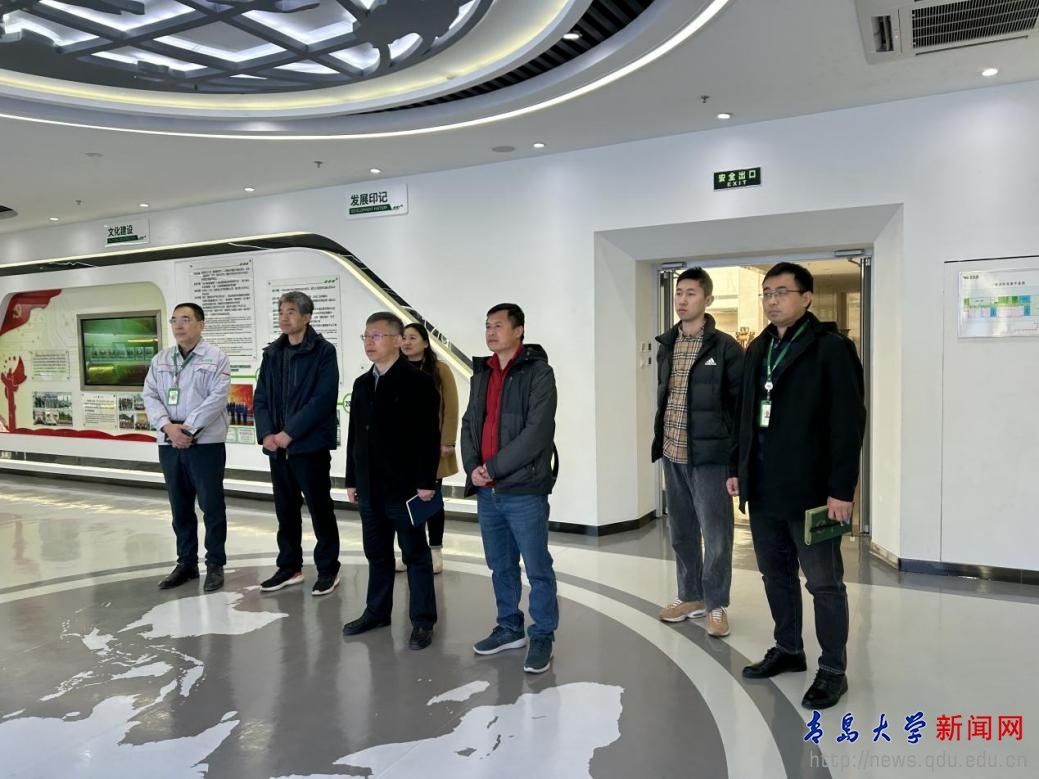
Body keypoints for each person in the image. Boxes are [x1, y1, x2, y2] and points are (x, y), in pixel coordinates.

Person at [726, 262, 865, 710]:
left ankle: (833, 669)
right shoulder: (759, 347)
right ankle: (788, 648)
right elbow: (745, 414)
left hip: (812, 492)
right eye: (767, 293)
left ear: (806, 297)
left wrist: (841, 489)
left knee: (824, 583)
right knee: (775, 575)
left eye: (781, 292)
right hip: (764, 488)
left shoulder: (831, 349)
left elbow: (848, 423)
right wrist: (738, 466)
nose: (772, 301)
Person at [461, 303, 558, 674]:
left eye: (498, 325)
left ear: (519, 331)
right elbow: (470, 423)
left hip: (524, 489)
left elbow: (537, 432)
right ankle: (509, 627)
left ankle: (543, 634)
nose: (491, 332)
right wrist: (473, 468)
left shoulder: (539, 373)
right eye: (488, 325)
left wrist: (493, 468)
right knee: (500, 564)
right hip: (488, 491)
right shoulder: (482, 373)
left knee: (537, 567)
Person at [652, 268, 743, 637]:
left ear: (708, 299)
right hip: (672, 452)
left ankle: (716, 603)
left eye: (691, 293)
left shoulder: (725, 348)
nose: (682, 300)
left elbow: (738, 409)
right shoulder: (667, 344)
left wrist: (735, 463)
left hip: (710, 458)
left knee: (716, 533)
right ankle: (690, 595)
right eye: (679, 293)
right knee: (682, 530)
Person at [342, 312, 441, 651]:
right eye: (366, 336)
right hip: (369, 486)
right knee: (377, 552)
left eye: (377, 336)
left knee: (415, 554)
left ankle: (423, 620)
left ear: (398, 341)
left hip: (404, 487)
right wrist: (352, 478)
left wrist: (426, 481)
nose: (369, 342)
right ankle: (377, 611)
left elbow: (428, 435)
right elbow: (356, 436)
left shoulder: (418, 382)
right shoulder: (362, 384)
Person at [254, 291, 341, 596]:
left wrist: (289, 433)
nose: (284, 317)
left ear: (307, 317)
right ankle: (289, 566)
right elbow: (261, 397)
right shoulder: (272, 353)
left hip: (309, 446)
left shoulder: (323, 351)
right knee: (285, 510)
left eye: (291, 312)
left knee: (320, 509)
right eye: (281, 312)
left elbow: (322, 400)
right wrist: (267, 434)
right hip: (278, 449)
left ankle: (328, 568)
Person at [142, 303, 231, 593]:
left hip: (204, 443)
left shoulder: (216, 358)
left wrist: (188, 430)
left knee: (211, 506)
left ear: (200, 324)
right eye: (174, 320)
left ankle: (215, 563)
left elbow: (217, 399)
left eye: (186, 319)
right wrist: (167, 427)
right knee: (179, 506)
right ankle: (186, 563)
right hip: (170, 442)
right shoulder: (161, 359)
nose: (179, 325)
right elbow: (150, 395)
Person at [400, 322, 460, 574]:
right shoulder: (396, 368)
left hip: (432, 447)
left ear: (425, 343)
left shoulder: (440, 370)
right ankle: (410, 552)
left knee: (431, 500)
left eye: (413, 338)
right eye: (403, 337)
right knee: (404, 501)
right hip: (402, 449)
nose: (407, 342)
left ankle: (435, 550)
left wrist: (447, 440)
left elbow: (451, 408)